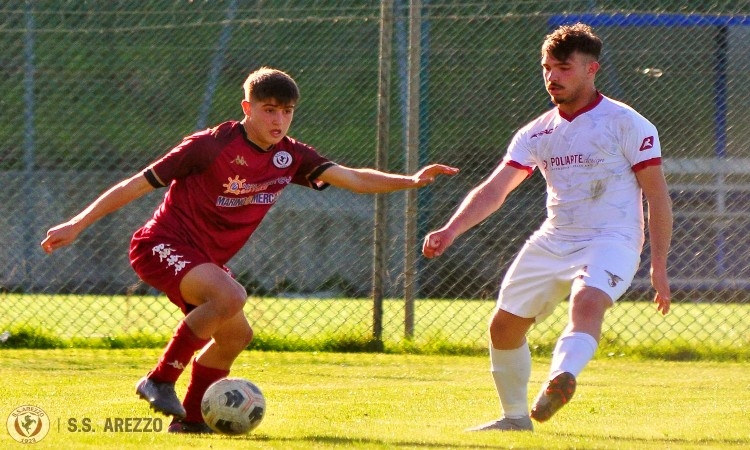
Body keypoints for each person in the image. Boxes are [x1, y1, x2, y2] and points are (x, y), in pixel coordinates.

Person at [41, 66, 459, 433]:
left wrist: (411, 180)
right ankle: (159, 379)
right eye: (269, 110)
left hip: (204, 260)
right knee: (230, 295)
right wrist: (77, 223)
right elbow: (137, 183)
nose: (279, 120)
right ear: (247, 108)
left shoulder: (290, 155)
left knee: (237, 336)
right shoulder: (208, 145)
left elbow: (354, 178)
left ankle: (190, 420)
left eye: (287, 111)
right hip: (160, 245)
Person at [422, 23, 672, 431]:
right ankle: (515, 418)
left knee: (587, 302)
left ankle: (562, 376)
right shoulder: (536, 132)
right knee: (503, 327)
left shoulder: (627, 123)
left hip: (613, 239)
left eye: (563, 68)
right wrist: (451, 229)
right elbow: (495, 188)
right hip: (555, 238)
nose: (552, 77)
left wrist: (657, 264)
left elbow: (658, 198)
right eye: (546, 68)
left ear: (592, 69)